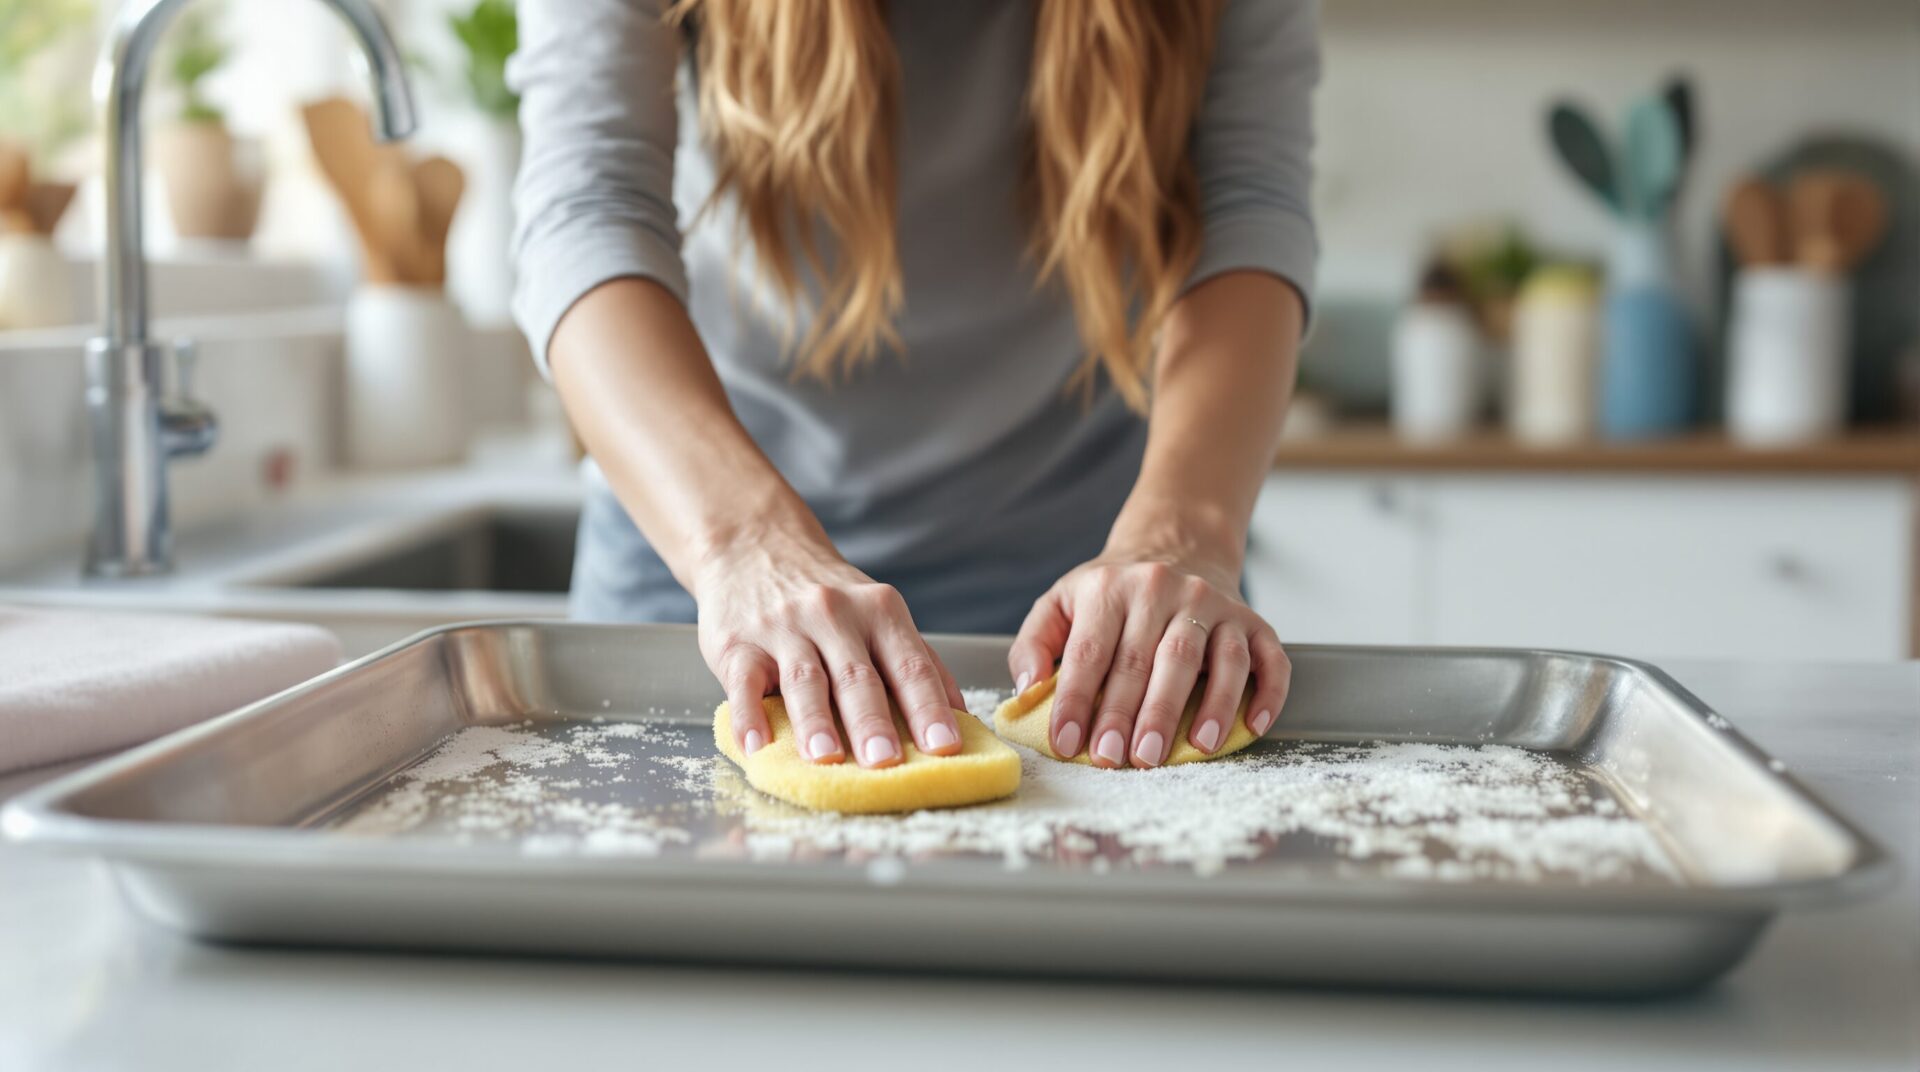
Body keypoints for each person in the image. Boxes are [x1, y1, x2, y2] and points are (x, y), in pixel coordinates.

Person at [510, 0, 1319, 774]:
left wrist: (1180, 537)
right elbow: (588, 207)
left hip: (1096, 600)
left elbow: (1247, 205)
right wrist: (745, 546)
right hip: (701, 559)